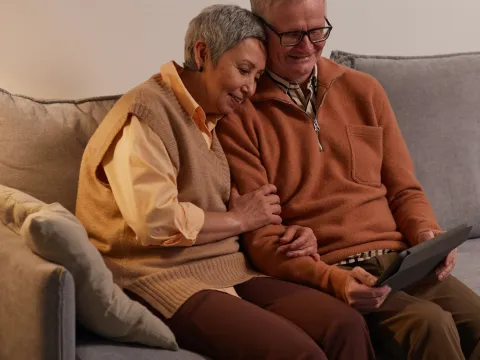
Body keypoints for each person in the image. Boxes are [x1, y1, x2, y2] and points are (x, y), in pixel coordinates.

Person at [76, 4, 375, 360]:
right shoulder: (145, 114)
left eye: (257, 76)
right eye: (243, 70)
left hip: (229, 267)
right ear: (202, 54)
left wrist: (294, 234)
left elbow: (246, 210)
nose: (250, 88)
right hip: (153, 278)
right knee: (295, 353)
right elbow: (154, 221)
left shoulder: (214, 120)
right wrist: (239, 220)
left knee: (346, 324)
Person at [216, 0, 480, 359]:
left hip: (403, 260)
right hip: (331, 269)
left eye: (317, 30)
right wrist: (331, 279)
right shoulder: (240, 113)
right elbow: (262, 238)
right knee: (429, 325)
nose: (308, 46)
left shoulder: (364, 90)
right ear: (260, 32)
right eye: (292, 34)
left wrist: (426, 235)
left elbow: (404, 189)